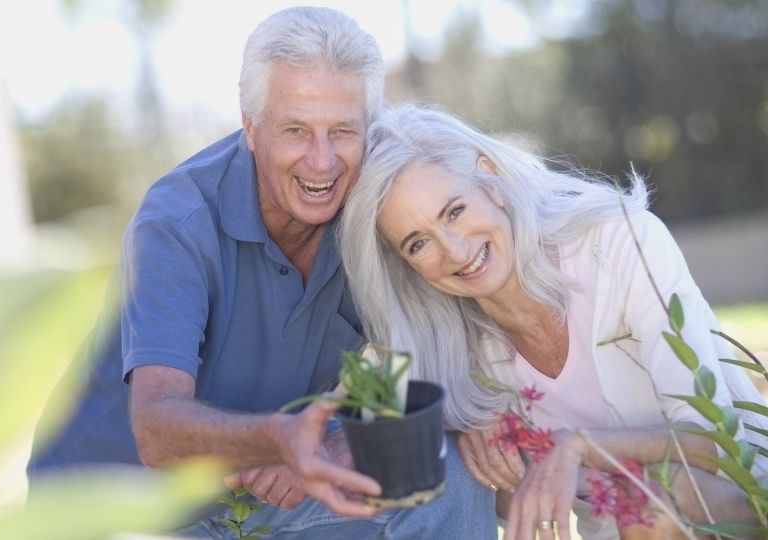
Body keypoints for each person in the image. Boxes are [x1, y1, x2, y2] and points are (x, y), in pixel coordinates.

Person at [27, 8, 496, 539]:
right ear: (251, 129)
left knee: (444, 473)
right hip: (117, 509)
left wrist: (337, 440)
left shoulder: (374, 208)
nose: (321, 163)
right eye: (295, 130)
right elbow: (156, 427)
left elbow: (430, 339)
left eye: (342, 131)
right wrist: (277, 439)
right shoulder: (178, 221)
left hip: (263, 491)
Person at [338, 103, 768, 540]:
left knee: (648, 508)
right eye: (418, 243)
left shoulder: (619, 245)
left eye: (455, 211)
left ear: (490, 181)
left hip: (748, 510)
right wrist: (481, 455)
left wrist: (575, 445)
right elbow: (509, 507)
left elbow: (711, 443)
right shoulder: (457, 354)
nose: (454, 251)